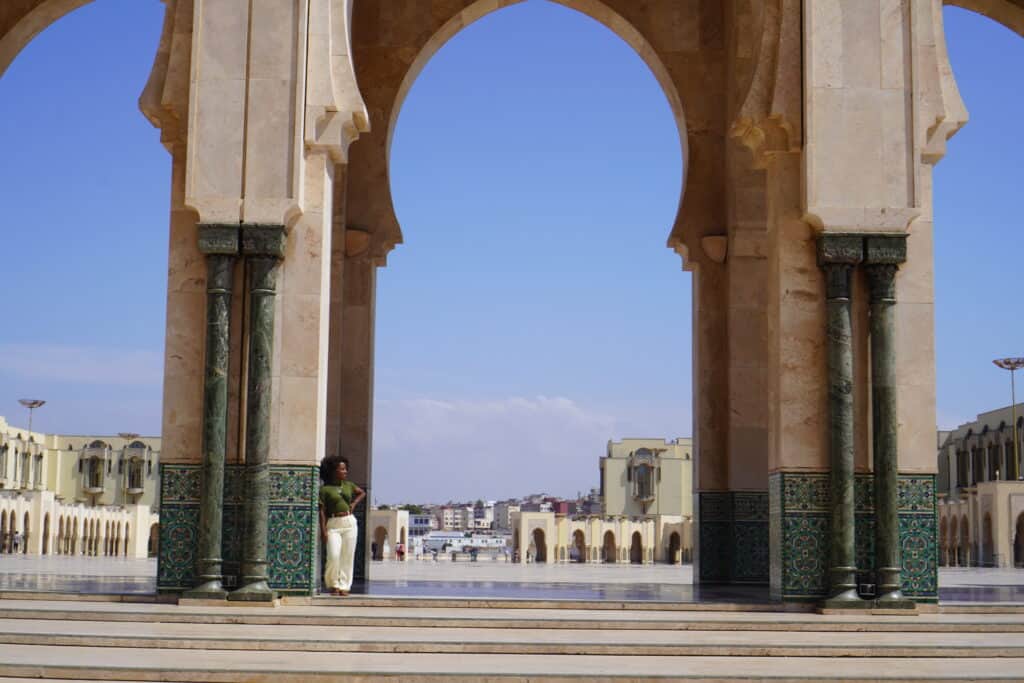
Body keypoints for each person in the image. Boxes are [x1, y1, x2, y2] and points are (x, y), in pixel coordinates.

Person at [318, 455, 365, 596]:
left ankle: (344, 586)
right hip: (333, 524)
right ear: (333, 471)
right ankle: (333, 584)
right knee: (333, 555)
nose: (345, 472)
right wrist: (324, 531)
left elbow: (362, 493)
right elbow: (322, 511)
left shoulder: (348, 485)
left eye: (346, 469)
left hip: (349, 522)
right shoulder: (325, 490)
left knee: (347, 556)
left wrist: (354, 504)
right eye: (342, 469)